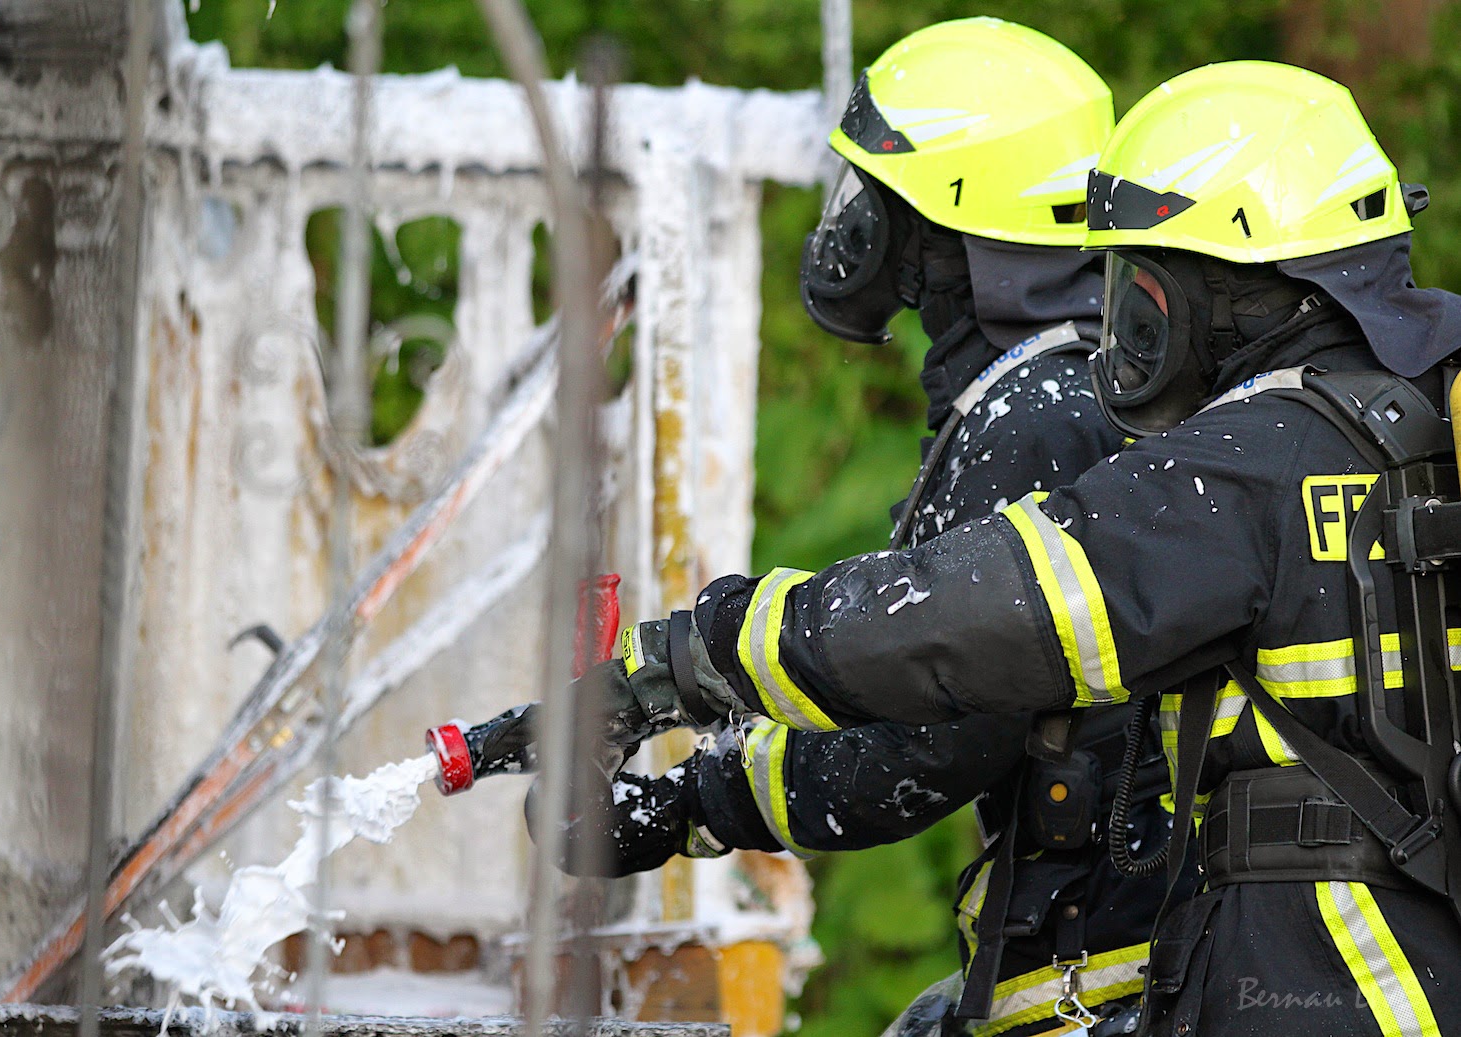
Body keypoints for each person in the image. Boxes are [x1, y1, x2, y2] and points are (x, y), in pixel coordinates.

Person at [568, 60, 1461, 1035]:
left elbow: (969, 619)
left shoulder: (1249, 461)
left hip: (1328, 983)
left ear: (1234, 284)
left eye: (1144, 277)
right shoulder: (1416, 424)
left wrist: (694, 658)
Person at [534, 20, 1178, 1036]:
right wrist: (668, 695)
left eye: (879, 197)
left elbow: (922, 746)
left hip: (1114, 972)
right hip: (1114, 944)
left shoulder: (1034, 417)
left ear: (948, 219)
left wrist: (679, 807)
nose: (857, 225)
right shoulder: (1070, 384)